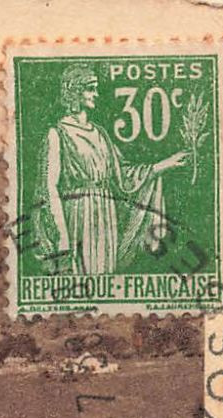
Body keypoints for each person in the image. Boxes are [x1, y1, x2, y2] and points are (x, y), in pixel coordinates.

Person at [40, 64, 189, 274]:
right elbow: (49, 189)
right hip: (78, 215)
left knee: (104, 276)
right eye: (90, 88)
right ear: (75, 91)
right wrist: (61, 234)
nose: (96, 94)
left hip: (105, 216)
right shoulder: (57, 134)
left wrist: (163, 165)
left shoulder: (100, 134)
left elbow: (124, 176)